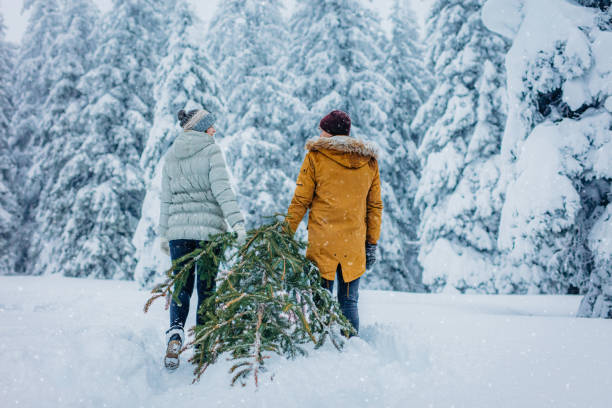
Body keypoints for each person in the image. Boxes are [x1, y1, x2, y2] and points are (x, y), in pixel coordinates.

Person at [158, 108, 247, 370]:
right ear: (200, 129)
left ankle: (175, 334)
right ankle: (204, 346)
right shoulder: (211, 151)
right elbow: (222, 190)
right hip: (209, 234)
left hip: (179, 234)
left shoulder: (172, 154)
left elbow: (166, 198)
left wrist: (164, 233)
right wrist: (237, 223)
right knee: (206, 289)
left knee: (181, 288)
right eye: (210, 126)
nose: (214, 130)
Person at [286, 110, 383, 336]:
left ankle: (321, 348)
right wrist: (371, 243)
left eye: (322, 130)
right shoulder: (369, 162)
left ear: (330, 133)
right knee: (349, 302)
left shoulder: (316, 157)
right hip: (354, 243)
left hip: (323, 242)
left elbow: (301, 200)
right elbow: (374, 207)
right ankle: (351, 346)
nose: (319, 134)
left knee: (320, 300)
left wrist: (284, 234)